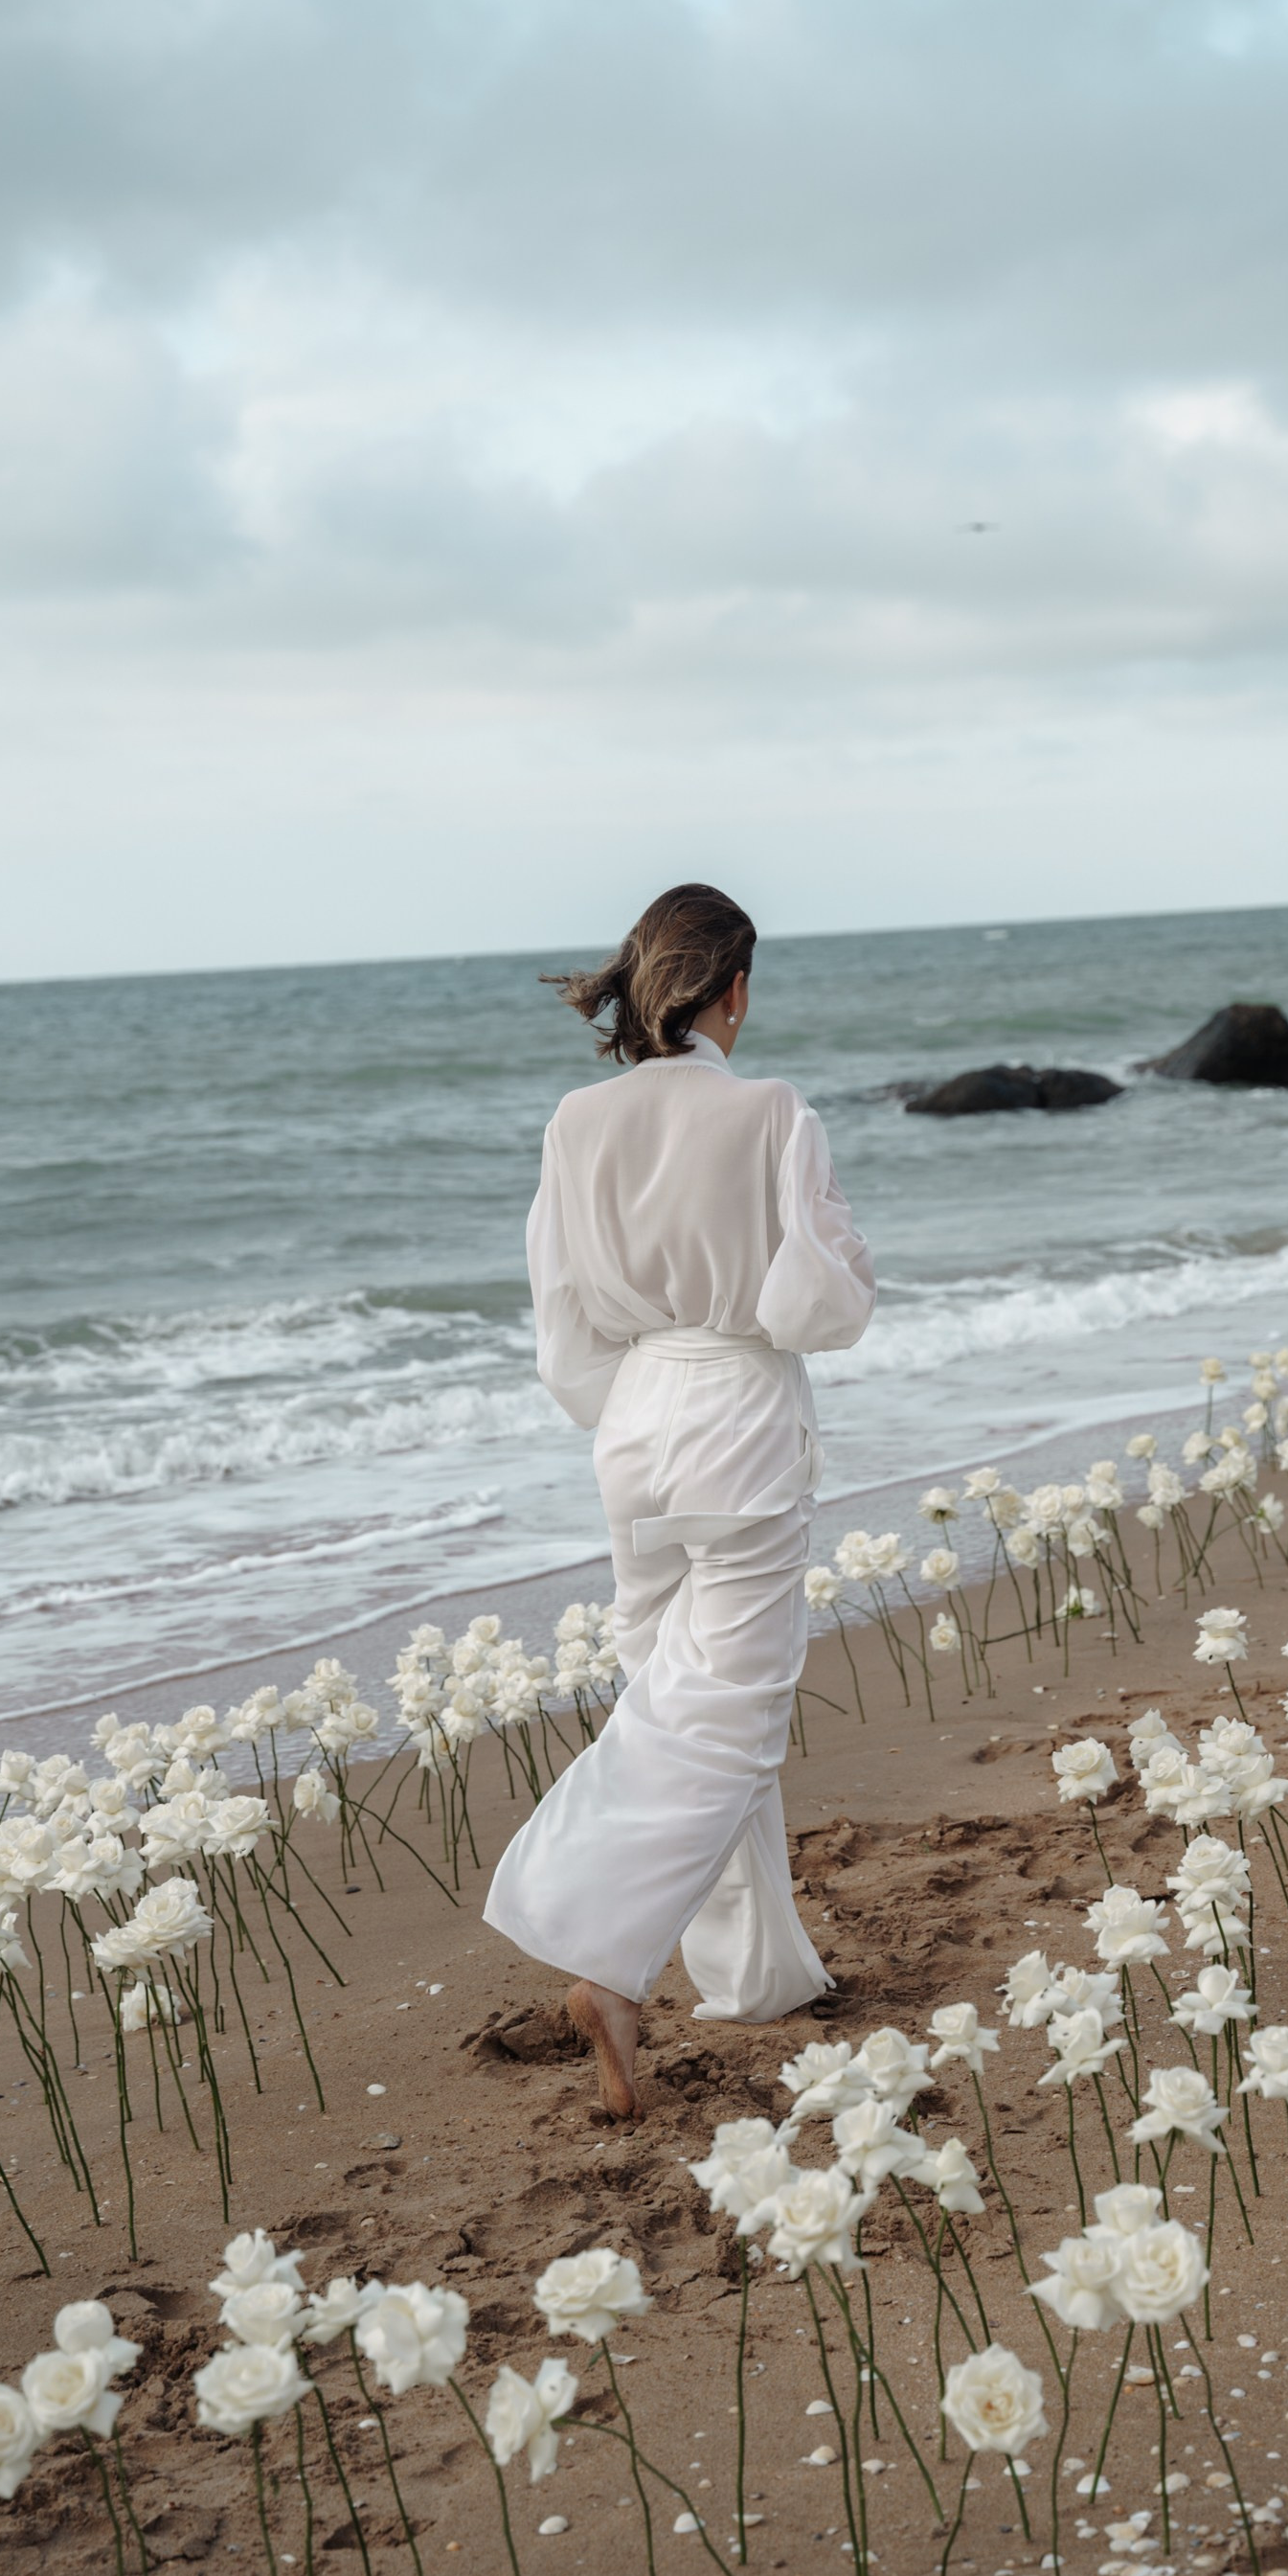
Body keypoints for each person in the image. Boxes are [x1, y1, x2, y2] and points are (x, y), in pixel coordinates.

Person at [483, 884, 876, 2116]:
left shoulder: (573, 1121)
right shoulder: (768, 1112)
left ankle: (756, 1972)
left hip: (634, 1424)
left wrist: (632, 1399)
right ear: (732, 989)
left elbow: (562, 1324)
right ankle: (612, 1964)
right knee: (730, 1716)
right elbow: (818, 1304)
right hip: (735, 1415)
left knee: (673, 1689)